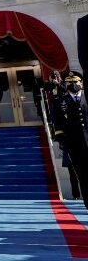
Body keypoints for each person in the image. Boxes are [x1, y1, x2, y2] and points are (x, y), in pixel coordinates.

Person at [53, 72, 88, 210]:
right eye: (70, 83)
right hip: (74, 144)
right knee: (82, 174)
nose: (74, 85)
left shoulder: (86, 97)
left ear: (81, 83)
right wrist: (62, 141)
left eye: (76, 82)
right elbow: (58, 123)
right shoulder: (60, 100)